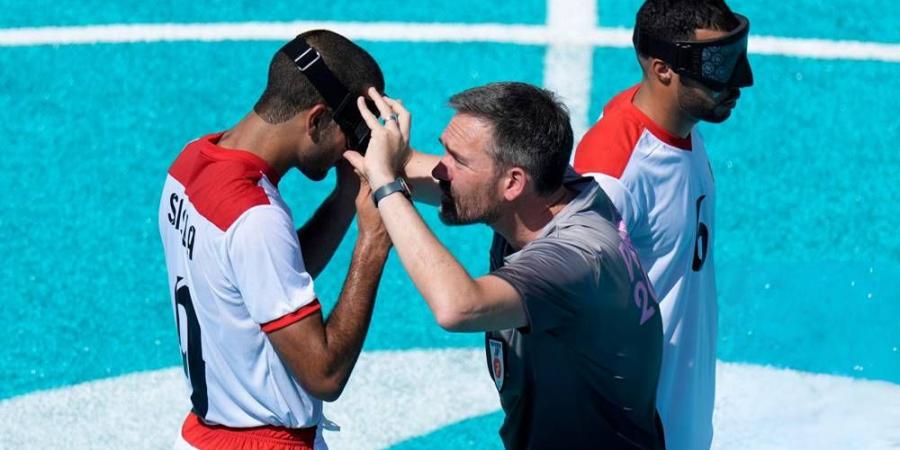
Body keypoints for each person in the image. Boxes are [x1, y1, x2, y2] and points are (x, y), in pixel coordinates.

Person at [345, 82, 665, 449]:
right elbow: (433, 176)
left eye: (457, 160)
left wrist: (386, 185)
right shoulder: (546, 189)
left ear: (513, 182)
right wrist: (381, 149)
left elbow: (457, 307)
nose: (439, 170)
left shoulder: (576, 259)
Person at [158, 29, 391, 450]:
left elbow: (265, 276)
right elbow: (324, 375)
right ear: (317, 120)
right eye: (351, 132)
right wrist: (373, 242)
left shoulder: (189, 162)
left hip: (202, 436)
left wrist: (344, 197)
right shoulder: (255, 217)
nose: (350, 148)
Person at [571, 1, 754, 449]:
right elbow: (569, 301)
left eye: (735, 54)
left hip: (678, 419)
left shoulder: (680, 125)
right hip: (638, 430)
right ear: (663, 68)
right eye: (717, 63)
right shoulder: (616, 172)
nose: (739, 80)